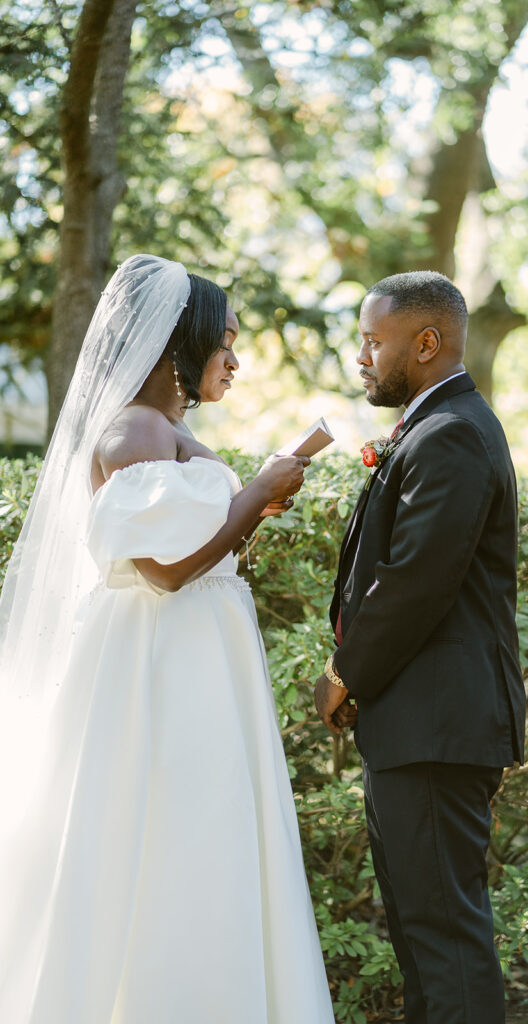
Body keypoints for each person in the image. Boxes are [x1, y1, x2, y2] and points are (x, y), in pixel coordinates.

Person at [0, 254, 335, 1023]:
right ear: (178, 342)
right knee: (174, 842)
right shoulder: (131, 431)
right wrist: (257, 490)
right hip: (162, 669)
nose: (236, 359)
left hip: (201, 661)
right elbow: (162, 570)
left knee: (211, 840)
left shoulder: (166, 428)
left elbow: (197, 546)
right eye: (226, 341)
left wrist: (251, 509)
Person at [314, 271, 526, 1024]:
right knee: (419, 932)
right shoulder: (435, 426)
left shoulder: (454, 432)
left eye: (374, 341)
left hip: (439, 725)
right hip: (418, 722)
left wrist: (344, 671)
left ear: (426, 343)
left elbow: (415, 582)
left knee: (445, 937)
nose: (362, 357)